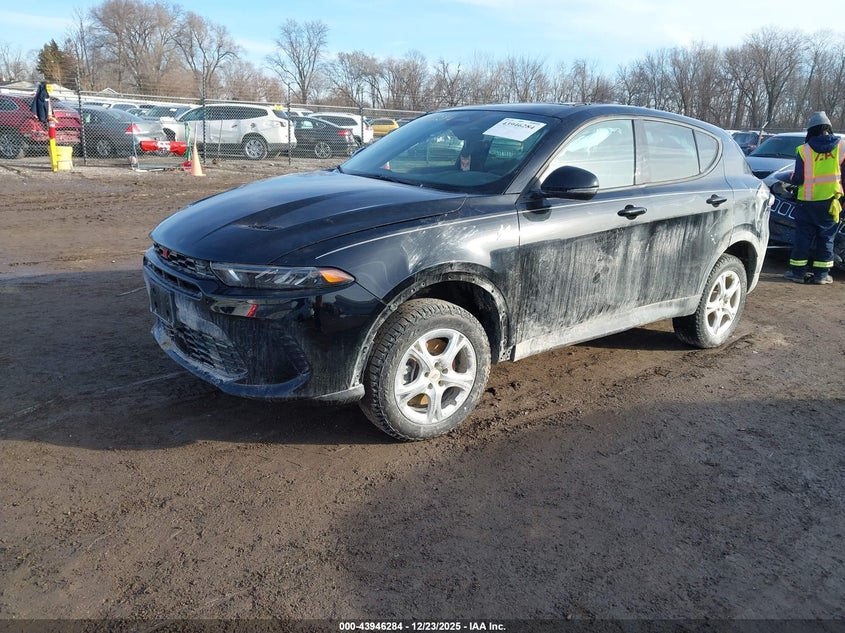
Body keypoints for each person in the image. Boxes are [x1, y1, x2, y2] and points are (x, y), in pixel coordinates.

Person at [783, 111, 845, 285]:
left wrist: (793, 178)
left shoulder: (804, 150)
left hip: (806, 202)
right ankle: (821, 275)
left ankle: (797, 273)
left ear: (810, 130)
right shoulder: (842, 147)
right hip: (831, 202)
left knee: (803, 237)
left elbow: (798, 179)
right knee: (826, 238)